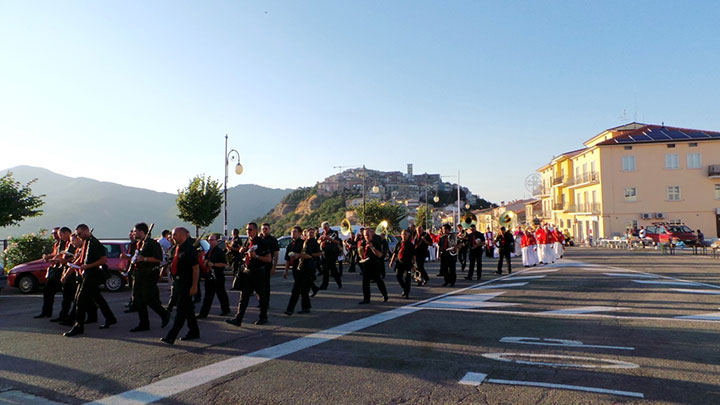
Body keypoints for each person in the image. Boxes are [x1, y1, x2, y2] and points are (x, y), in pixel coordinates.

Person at [63, 224, 117, 337]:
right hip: (86, 274)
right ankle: (110, 318)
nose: (79, 236)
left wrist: (88, 266)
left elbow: (103, 260)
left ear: (86, 231)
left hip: (92, 275)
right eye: (78, 234)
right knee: (98, 298)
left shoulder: (94, 243)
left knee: (80, 300)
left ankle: (78, 326)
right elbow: (81, 259)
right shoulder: (86, 243)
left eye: (80, 234)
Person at [226, 222, 271, 327]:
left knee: (261, 295)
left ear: (255, 230)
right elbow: (245, 254)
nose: (248, 231)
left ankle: (263, 317)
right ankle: (238, 319)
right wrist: (242, 251)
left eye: (250, 229)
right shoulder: (247, 241)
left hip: (258, 272)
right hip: (247, 272)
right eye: (247, 229)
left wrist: (256, 256)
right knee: (243, 296)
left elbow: (268, 259)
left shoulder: (261, 242)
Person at [161, 227, 200, 344]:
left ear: (183, 235)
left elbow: (195, 268)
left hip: (186, 283)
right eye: (172, 235)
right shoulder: (176, 248)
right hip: (177, 283)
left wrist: (194, 286)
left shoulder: (189, 249)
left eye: (175, 235)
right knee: (188, 310)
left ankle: (171, 336)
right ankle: (194, 331)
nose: (172, 237)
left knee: (181, 311)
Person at [129, 222, 171, 332]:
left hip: (149, 274)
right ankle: (144, 323)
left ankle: (164, 314)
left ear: (141, 232)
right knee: (139, 300)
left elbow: (158, 259)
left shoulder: (152, 243)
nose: (134, 233)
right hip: (140, 274)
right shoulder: (140, 244)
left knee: (148, 299)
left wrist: (144, 259)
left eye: (135, 231)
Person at [284, 226, 318, 315]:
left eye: (295, 231)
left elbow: (310, 256)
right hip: (295, 269)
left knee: (296, 290)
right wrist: (285, 271)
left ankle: (290, 310)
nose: (292, 233)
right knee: (303, 290)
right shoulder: (290, 245)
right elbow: (287, 259)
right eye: (291, 231)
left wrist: (298, 255)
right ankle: (306, 307)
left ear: (299, 233)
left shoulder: (304, 243)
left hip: (305, 269)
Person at [198, 233, 231, 318]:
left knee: (221, 294)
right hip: (209, 276)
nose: (210, 242)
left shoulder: (219, 251)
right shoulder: (209, 251)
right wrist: (205, 263)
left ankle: (226, 310)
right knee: (208, 296)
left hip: (218, 276)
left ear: (216, 241)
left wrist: (214, 264)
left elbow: (224, 264)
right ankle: (203, 313)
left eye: (212, 240)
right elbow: (205, 260)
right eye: (209, 240)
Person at [35, 227, 65, 319]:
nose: (54, 235)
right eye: (53, 233)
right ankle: (46, 312)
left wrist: (52, 258)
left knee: (68, 294)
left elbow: (62, 256)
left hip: (61, 270)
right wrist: (48, 256)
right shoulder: (57, 244)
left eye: (56, 233)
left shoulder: (64, 243)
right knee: (48, 292)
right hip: (56, 269)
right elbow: (55, 254)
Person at [358, 227, 388, 304]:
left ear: (371, 234)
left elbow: (380, 255)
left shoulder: (376, 242)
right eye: (365, 235)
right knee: (365, 281)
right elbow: (361, 253)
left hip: (375, 263)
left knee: (378, 280)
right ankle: (366, 299)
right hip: (367, 263)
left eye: (368, 234)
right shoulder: (364, 242)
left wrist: (372, 247)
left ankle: (385, 295)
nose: (366, 236)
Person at [389, 229, 416, 298]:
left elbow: (414, 255)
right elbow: (395, 253)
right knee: (398, 276)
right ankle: (404, 288)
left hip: (407, 264)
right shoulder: (399, 244)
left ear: (408, 236)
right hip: (399, 263)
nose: (404, 236)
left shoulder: (410, 244)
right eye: (402, 234)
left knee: (407, 278)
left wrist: (414, 264)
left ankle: (406, 293)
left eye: (405, 234)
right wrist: (391, 262)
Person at [259, 223, 279, 309]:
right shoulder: (259, 239)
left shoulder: (273, 240)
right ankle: (261, 302)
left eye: (266, 229)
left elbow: (276, 254)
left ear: (269, 229)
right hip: (259, 265)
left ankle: (266, 303)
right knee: (259, 285)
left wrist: (274, 267)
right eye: (263, 229)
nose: (264, 230)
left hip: (268, 264)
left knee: (266, 285)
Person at [319, 221, 342, 290]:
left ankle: (339, 282)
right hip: (324, 253)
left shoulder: (334, 232)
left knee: (333, 269)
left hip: (332, 253)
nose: (324, 229)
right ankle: (324, 285)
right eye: (323, 228)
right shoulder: (322, 233)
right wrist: (320, 240)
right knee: (325, 270)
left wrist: (329, 239)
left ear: (329, 227)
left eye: (325, 228)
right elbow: (319, 241)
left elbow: (338, 242)